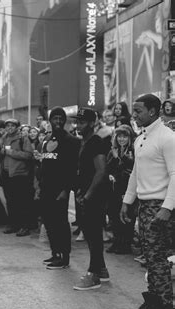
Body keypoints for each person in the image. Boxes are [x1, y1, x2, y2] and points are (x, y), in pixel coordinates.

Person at [121, 94, 175, 309]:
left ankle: (164, 307)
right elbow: (135, 173)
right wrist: (127, 201)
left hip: (159, 206)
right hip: (143, 205)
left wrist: (167, 207)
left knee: (158, 259)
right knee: (150, 258)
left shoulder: (168, 137)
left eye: (138, 111)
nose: (134, 115)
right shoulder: (140, 138)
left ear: (153, 111)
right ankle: (153, 302)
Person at [72, 108, 109, 291]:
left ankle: (93, 274)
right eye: (77, 122)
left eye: (82, 122)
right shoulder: (84, 142)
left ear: (92, 123)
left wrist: (87, 195)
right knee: (90, 232)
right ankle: (101, 269)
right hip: (85, 194)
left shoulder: (96, 142)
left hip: (94, 196)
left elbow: (101, 171)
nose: (78, 125)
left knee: (94, 234)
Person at [39, 107, 80, 269]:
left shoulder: (70, 140)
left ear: (65, 121)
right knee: (48, 222)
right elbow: (44, 165)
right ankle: (55, 253)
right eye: (54, 118)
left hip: (60, 190)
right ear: (49, 121)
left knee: (60, 223)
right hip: (45, 188)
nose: (57, 121)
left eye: (60, 119)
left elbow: (71, 169)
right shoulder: (47, 140)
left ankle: (64, 256)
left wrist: (65, 190)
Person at [0, 118, 34, 237]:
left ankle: (24, 226)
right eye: (8, 126)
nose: (10, 128)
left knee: (22, 201)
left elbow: (29, 155)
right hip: (7, 174)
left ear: (17, 127)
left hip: (19, 174)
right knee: (11, 201)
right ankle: (14, 224)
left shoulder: (23, 138)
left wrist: (11, 152)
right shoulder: (4, 139)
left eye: (12, 126)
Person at [106, 124, 135, 255]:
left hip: (127, 188)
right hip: (113, 189)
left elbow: (131, 169)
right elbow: (108, 167)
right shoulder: (113, 151)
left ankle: (126, 244)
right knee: (114, 215)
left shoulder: (132, 151)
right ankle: (117, 241)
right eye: (119, 136)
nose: (122, 139)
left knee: (127, 216)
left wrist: (121, 158)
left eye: (125, 136)